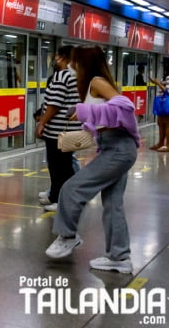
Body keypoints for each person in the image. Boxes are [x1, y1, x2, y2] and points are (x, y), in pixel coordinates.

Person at [45, 45, 140, 274]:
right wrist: (85, 113)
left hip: (118, 149)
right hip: (116, 147)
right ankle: (120, 258)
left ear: (83, 63)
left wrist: (87, 112)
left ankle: (68, 236)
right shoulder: (90, 86)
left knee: (70, 188)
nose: (70, 65)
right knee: (113, 204)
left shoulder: (97, 81)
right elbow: (103, 113)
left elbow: (125, 106)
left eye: (74, 62)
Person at [34, 46, 79, 212]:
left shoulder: (62, 75)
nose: (54, 59)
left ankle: (62, 201)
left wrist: (42, 122)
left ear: (62, 58)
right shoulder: (77, 76)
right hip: (71, 128)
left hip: (58, 130)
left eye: (56, 56)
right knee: (65, 165)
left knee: (58, 166)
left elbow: (54, 104)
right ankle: (55, 196)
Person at [148, 74, 169, 151]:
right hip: (162, 102)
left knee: (167, 124)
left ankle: (168, 145)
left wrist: (158, 83)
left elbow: (167, 91)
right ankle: (161, 143)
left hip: (167, 102)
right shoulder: (165, 76)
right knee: (161, 123)